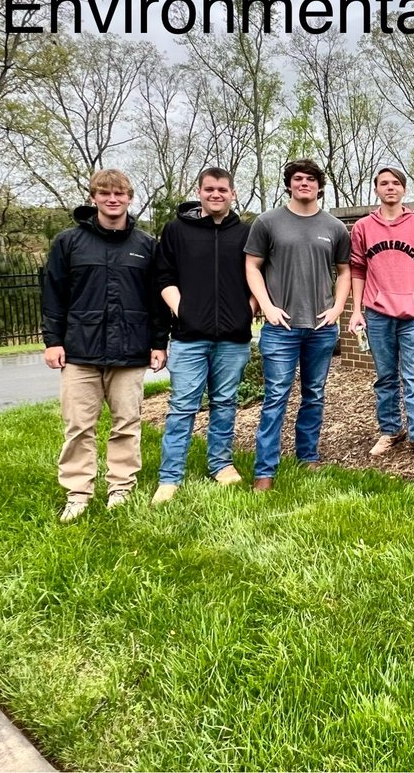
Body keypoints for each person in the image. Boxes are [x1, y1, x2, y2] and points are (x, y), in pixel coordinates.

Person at [41, 169, 168, 522]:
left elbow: (157, 301)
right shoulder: (69, 242)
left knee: (127, 423)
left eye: (119, 193)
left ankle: (120, 488)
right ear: (93, 197)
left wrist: (159, 343)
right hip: (80, 351)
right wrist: (53, 341)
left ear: (130, 197)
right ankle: (78, 492)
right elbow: (53, 295)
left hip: (130, 351)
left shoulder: (145, 246)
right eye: (104, 193)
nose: (112, 199)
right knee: (79, 426)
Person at [244, 159, 351, 491]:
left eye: (310, 179)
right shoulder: (268, 222)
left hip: (321, 328)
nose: (304, 183)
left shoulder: (335, 227)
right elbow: (252, 266)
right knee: (276, 396)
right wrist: (267, 306)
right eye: (297, 179)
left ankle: (308, 456)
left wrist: (337, 309)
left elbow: (345, 271)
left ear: (320, 186)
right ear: (289, 185)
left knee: (314, 395)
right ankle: (265, 470)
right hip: (281, 329)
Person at [151, 168, 255, 505]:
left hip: (233, 338)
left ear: (233, 193)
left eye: (222, 189)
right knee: (182, 407)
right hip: (189, 337)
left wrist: (248, 309)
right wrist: (184, 311)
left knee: (225, 403)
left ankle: (221, 464)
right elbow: (163, 277)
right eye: (209, 189)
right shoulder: (177, 232)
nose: (216, 195)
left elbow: (260, 277)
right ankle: (170, 477)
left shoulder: (246, 234)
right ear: (199, 192)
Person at [347, 165, 414, 459]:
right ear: (376, 189)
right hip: (377, 314)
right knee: (385, 376)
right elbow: (357, 269)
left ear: (404, 189)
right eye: (384, 183)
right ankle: (390, 431)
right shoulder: (363, 228)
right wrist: (356, 310)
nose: (390, 187)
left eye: (396, 183)